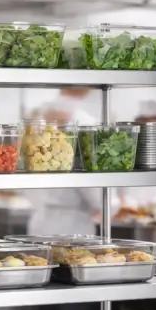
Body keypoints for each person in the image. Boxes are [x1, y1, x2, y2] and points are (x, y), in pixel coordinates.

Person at [26, 87, 104, 237]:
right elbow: (95, 191)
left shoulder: (38, 116)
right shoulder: (83, 121)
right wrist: (110, 204)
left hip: (40, 222)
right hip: (73, 227)